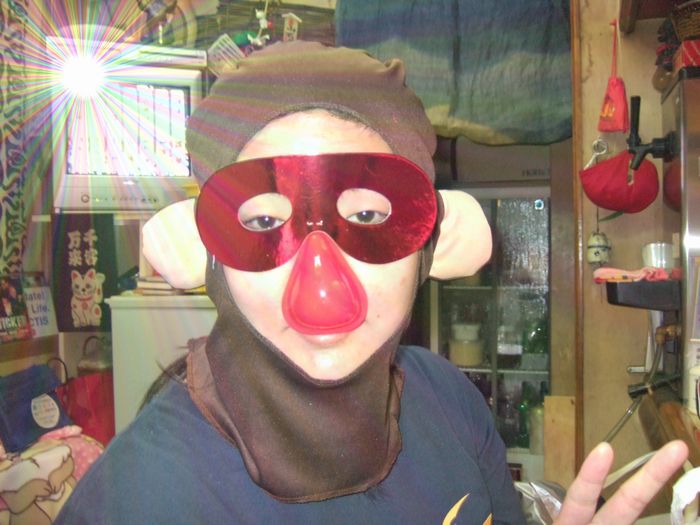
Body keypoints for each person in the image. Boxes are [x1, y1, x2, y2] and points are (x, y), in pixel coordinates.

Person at [55, 41, 688, 524]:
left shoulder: (449, 398)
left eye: (366, 217)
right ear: (203, 251)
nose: (321, 280)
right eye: (265, 222)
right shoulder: (138, 500)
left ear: (435, 244)